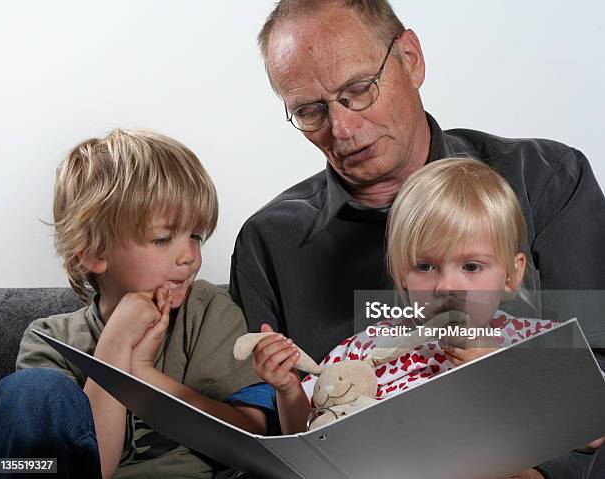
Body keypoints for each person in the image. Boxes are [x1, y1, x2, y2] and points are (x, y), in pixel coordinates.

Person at [229, 1, 605, 478]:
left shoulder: (548, 180)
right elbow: (275, 437)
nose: (342, 130)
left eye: (359, 89)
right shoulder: (269, 245)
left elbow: (593, 390)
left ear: (411, 57)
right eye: (309, 111)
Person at [0, 129, 274, 479]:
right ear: (93, 252)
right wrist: (116, 346)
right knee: (30, 392)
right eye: (162, 238)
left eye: (196, 236)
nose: (189, 256)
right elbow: (97, 468)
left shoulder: (207, 313)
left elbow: (254, 438)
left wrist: (143, 373)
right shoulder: (49, 339)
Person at [251, 158, 560, 433]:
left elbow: (591, 433)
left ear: (511, 275)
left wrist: (502, 371)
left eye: (471, 266)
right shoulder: (366, 348)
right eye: (425, 266)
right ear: (401, 276)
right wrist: (290, 391)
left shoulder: (532, 342)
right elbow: (307, 441)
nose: (447, 285)